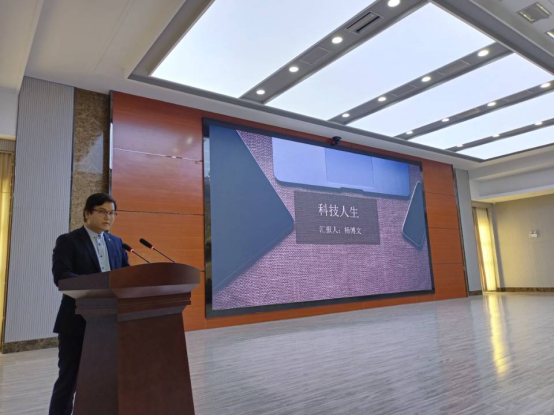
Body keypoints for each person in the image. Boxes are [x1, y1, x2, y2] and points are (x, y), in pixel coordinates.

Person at [49, 193, 130, 415]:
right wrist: (98, 285)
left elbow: (126, 277)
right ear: (87, 213)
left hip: (110, 323)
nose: (108, 217)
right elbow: (62, 277)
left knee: (104, 380)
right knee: (69, 381)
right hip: (76, 322)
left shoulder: (117, 243)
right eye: (102, 212)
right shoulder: (68, 241)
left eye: (112, 213)